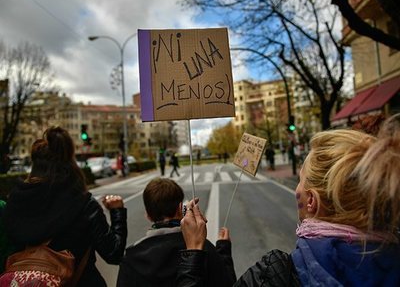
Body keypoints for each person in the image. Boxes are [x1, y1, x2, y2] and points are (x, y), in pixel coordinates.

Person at [177, 127, 400, 286]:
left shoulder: (275, 274)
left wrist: (194, 251)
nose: (297, 189)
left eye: (301, 180)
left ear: (311, 201)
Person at [3, 126, 127, 286]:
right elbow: (114, 254)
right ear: (69, 162)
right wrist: (117, 212)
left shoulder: (15, 202)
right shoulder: (83, 204)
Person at [116, 177, 236, 287]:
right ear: (180, 209)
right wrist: (223, 251)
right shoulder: (201, 248)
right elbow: (229, 283)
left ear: (148, 215)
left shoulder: (131, 257)